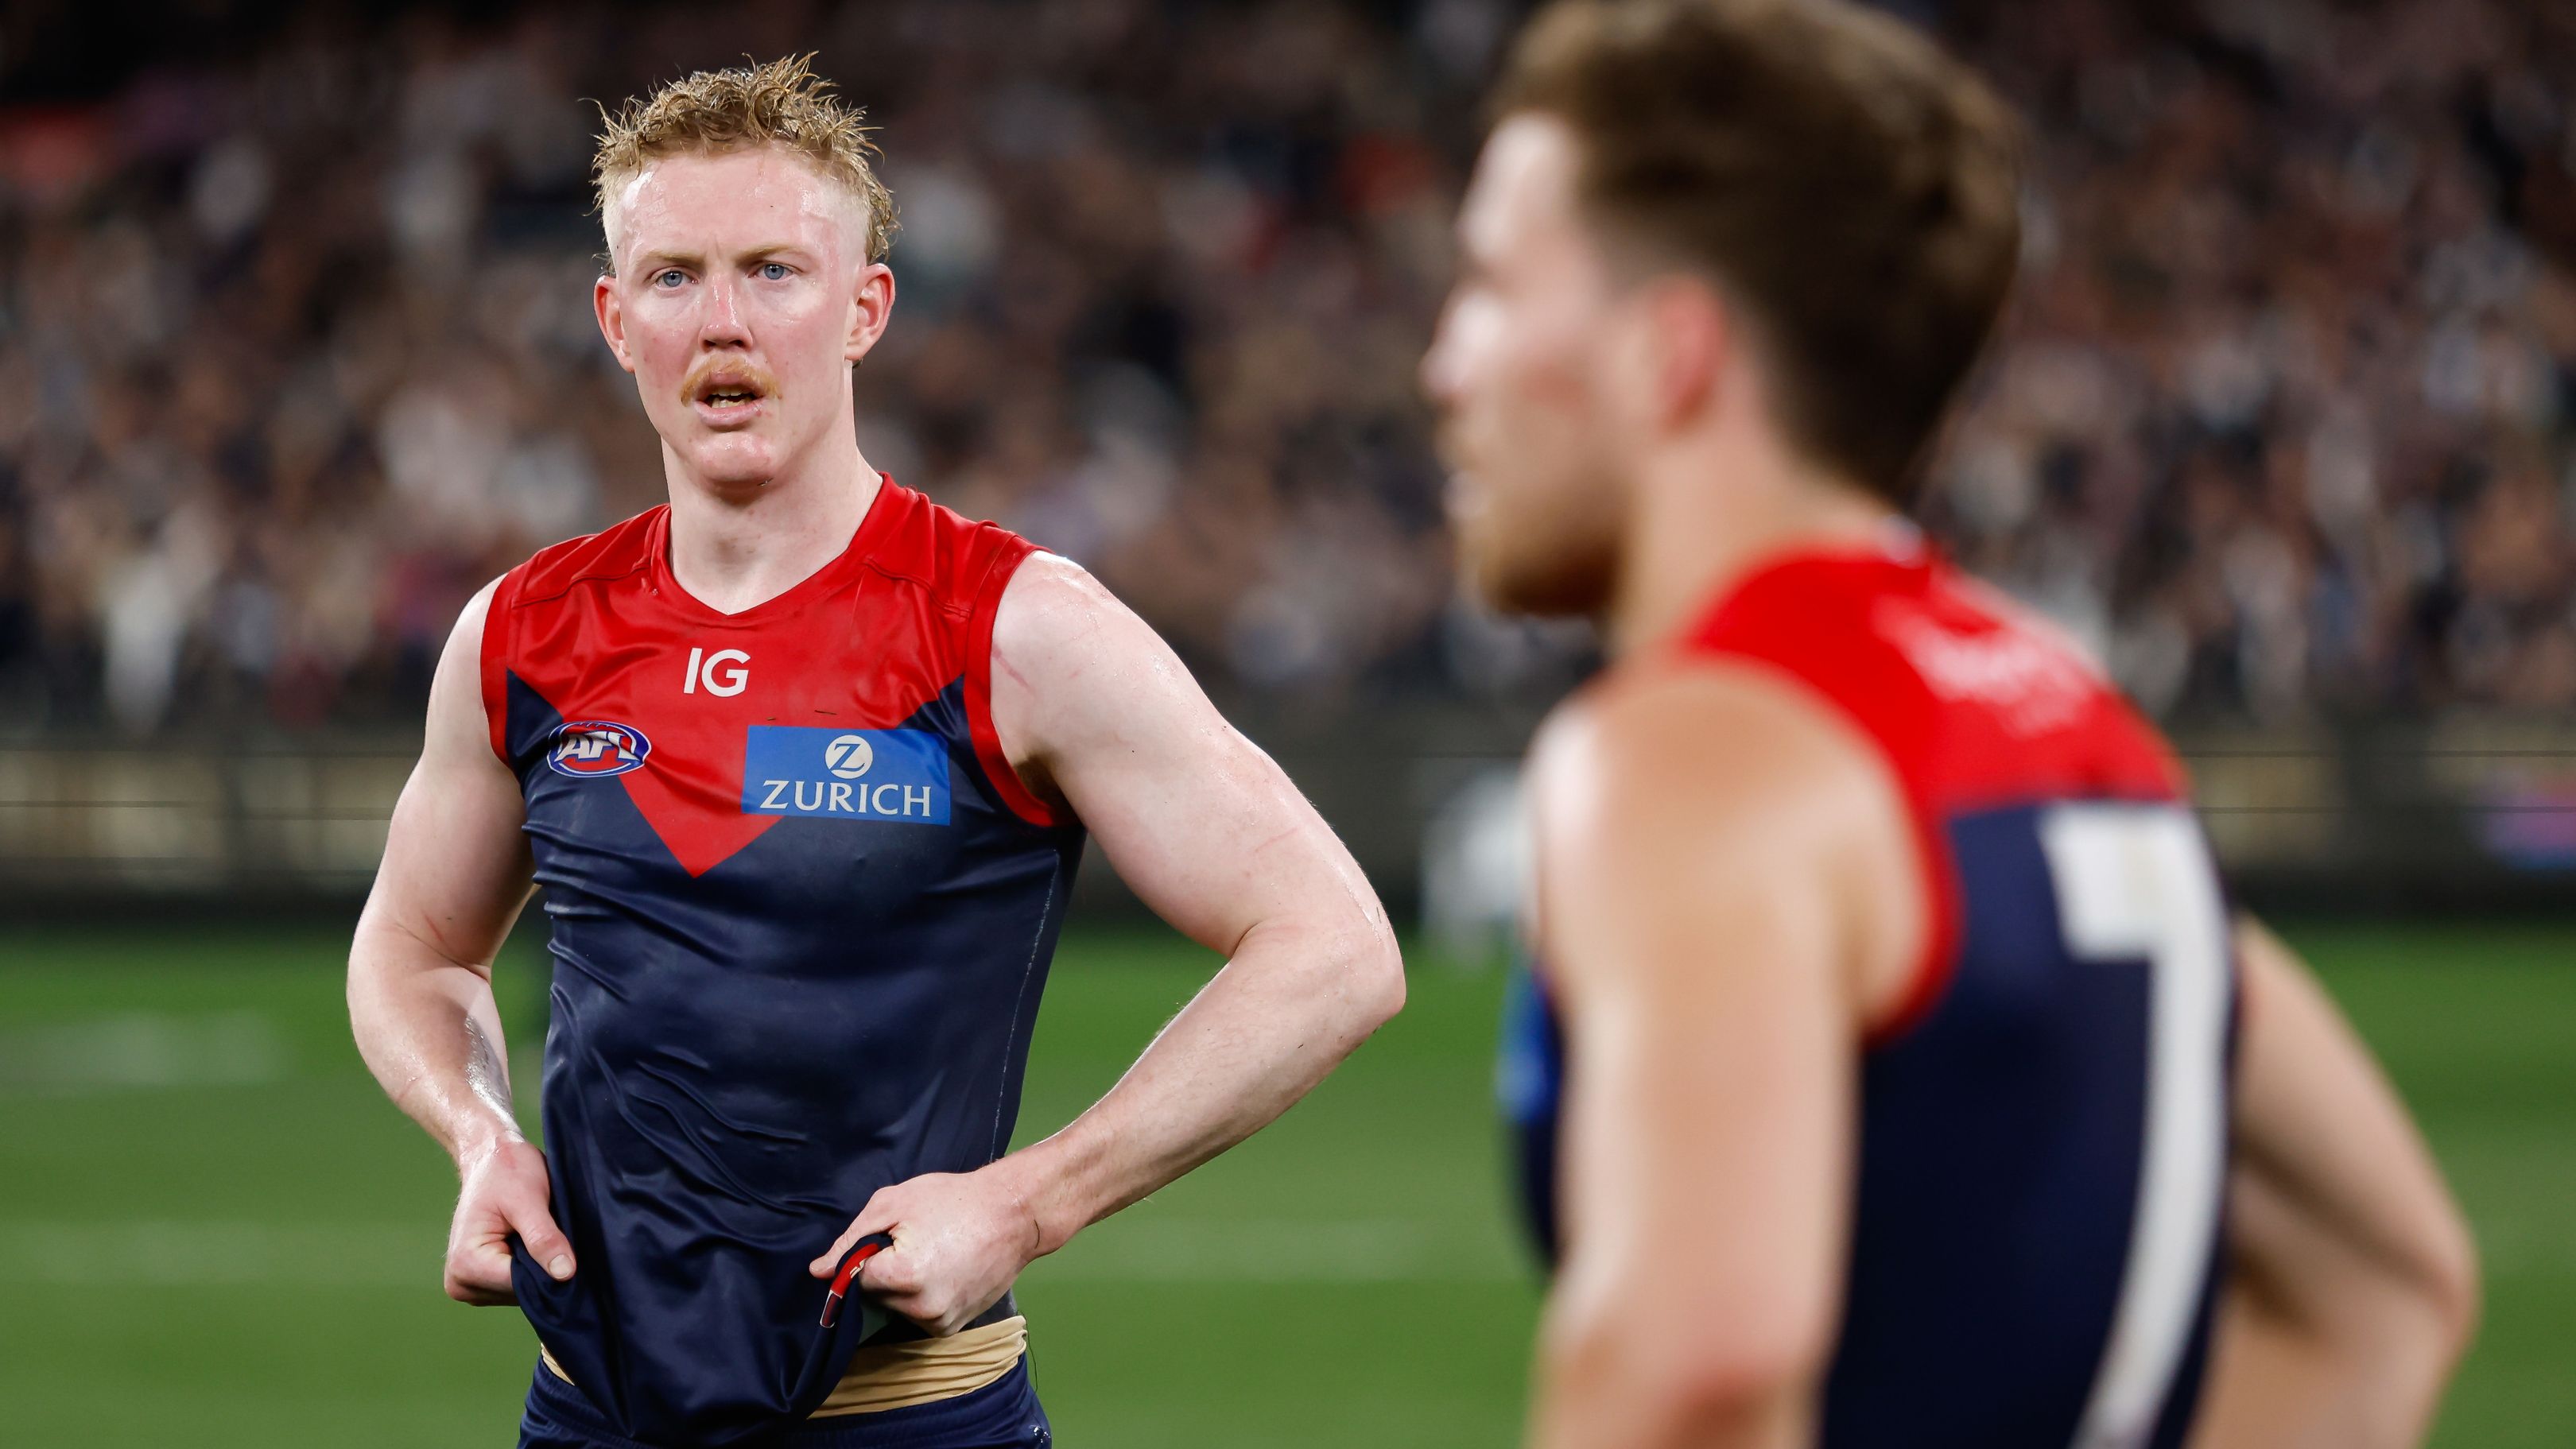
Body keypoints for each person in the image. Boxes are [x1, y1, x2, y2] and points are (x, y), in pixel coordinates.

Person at [1418, 3, 2480, 1447]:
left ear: (1668, 355)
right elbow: (2384, 1286)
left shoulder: (1700, 750)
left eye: (1487, 285)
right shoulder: (2080, 733)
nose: (1444, 365)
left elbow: (1701, 1379)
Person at [346, 55, 1403, 1449]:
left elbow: (1335, 949)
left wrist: (1032, 1201)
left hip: (911, 1418)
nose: (723, 322)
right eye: (673, 278)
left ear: (865, 308)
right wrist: (478, 1136)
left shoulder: (1013, 627)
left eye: (775, 271)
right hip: (588, 1417)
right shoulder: (524, 633)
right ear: (614, 319)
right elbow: (414, 948)